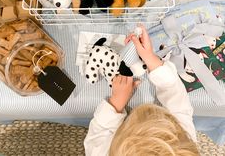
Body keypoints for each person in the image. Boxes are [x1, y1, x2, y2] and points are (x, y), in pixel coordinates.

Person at [84, 25, 199, 156]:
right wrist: (150, 58)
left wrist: (116, 103)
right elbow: (177, 101)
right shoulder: (183, 145)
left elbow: (98, 136)